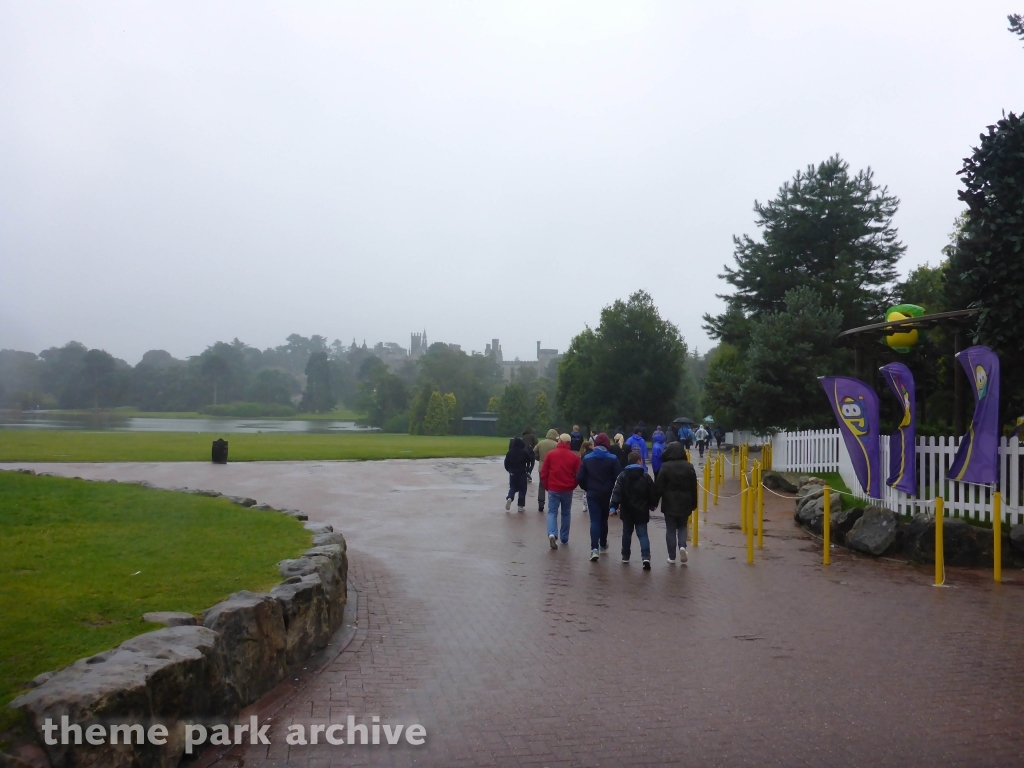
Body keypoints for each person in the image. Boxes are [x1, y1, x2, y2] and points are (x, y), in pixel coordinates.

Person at [576, 433, 620, 561]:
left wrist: (586, 487)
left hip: (592, 492)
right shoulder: (613, 459)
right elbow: (618, 478)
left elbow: (579, 476)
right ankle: (602, 545)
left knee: (594, 520)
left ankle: (594, 549)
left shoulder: (588, 458)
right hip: (607, 493)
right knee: (603, 520)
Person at [653, 441, 698, 564]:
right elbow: (693, 486)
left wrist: (654, 501)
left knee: (671, 528)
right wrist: (694, 503)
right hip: (686, 500)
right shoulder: (689, 466)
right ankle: (682, 546)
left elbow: (659, 486)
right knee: (683, 526)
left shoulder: (665, 467)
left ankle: (672, 556)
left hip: (669, 501)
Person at [610, 451, 656, 569]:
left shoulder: (622, 476)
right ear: (639, 461)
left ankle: (625, 556)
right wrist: (652, 504)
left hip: (627, 509)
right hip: (642, 510)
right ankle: (646, 557)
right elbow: (652, 492)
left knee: (626, 533)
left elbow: (617, 491)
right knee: (642, 534)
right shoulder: (645, 476)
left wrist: (613, 506)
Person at [540, 433, 581, 549]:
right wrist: (573, 485)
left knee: (552, 512)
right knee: (566, 513)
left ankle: (552, 533)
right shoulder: (574, 457)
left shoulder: (551, 454)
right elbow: (579, 474)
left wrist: (547, 486)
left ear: (560, 442)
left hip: (553, 487)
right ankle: (564, 537)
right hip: (567, 489)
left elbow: (544, 472)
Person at [503, 436, 533, 512]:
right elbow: (530, 460)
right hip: (522, 473)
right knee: (522, 489)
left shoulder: (510, 452)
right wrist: (528, 469)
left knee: (513, 487)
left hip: (512, 473)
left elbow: (506, 463)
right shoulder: (524, 452)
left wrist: (509, 470)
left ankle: (510, 497)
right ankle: (520, 506)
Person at [534, 428, 559, 513]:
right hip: (552, 468)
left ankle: (541, 503)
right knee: (552, 486)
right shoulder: (556, 444)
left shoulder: (541, 443)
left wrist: (539, 459)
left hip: (542, 466)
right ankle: (552, 504)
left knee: (541, 485)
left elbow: (534, 451)